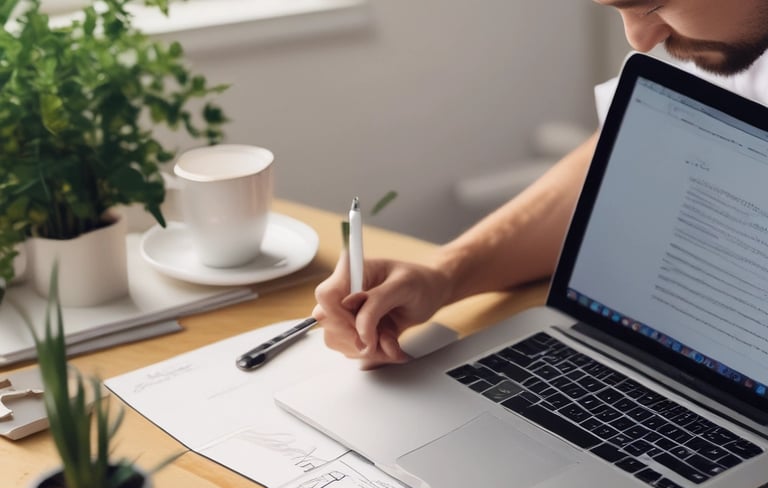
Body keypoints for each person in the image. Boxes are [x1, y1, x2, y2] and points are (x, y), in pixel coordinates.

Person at [313, 0, 768, 368]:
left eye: (652, 6)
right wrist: (444, 274)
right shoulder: (730, 40)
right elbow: (630, 152)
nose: (639, 39)